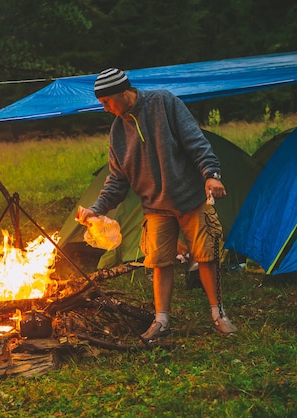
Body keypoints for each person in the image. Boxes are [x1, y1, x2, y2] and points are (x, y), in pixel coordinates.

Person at [77, 67, 237, 341]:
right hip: (156, 207)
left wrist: (211, 175)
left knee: (207, 257)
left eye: (105, 102)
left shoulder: (163, 103)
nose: (104, 108)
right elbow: (117, 180)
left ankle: (218, 314)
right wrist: (97, 209)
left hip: (190, 199)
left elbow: (195, 142)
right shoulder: (117, 132)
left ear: (121, 92)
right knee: (159, 262)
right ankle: (161, 321)